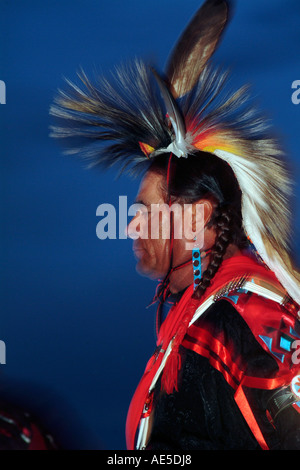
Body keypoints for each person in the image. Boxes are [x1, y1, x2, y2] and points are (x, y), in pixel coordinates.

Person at [50, 0, 300, 450]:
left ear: (197, 215)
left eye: (147, 209)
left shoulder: (249, 316)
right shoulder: (195, 318)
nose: (132, 227)